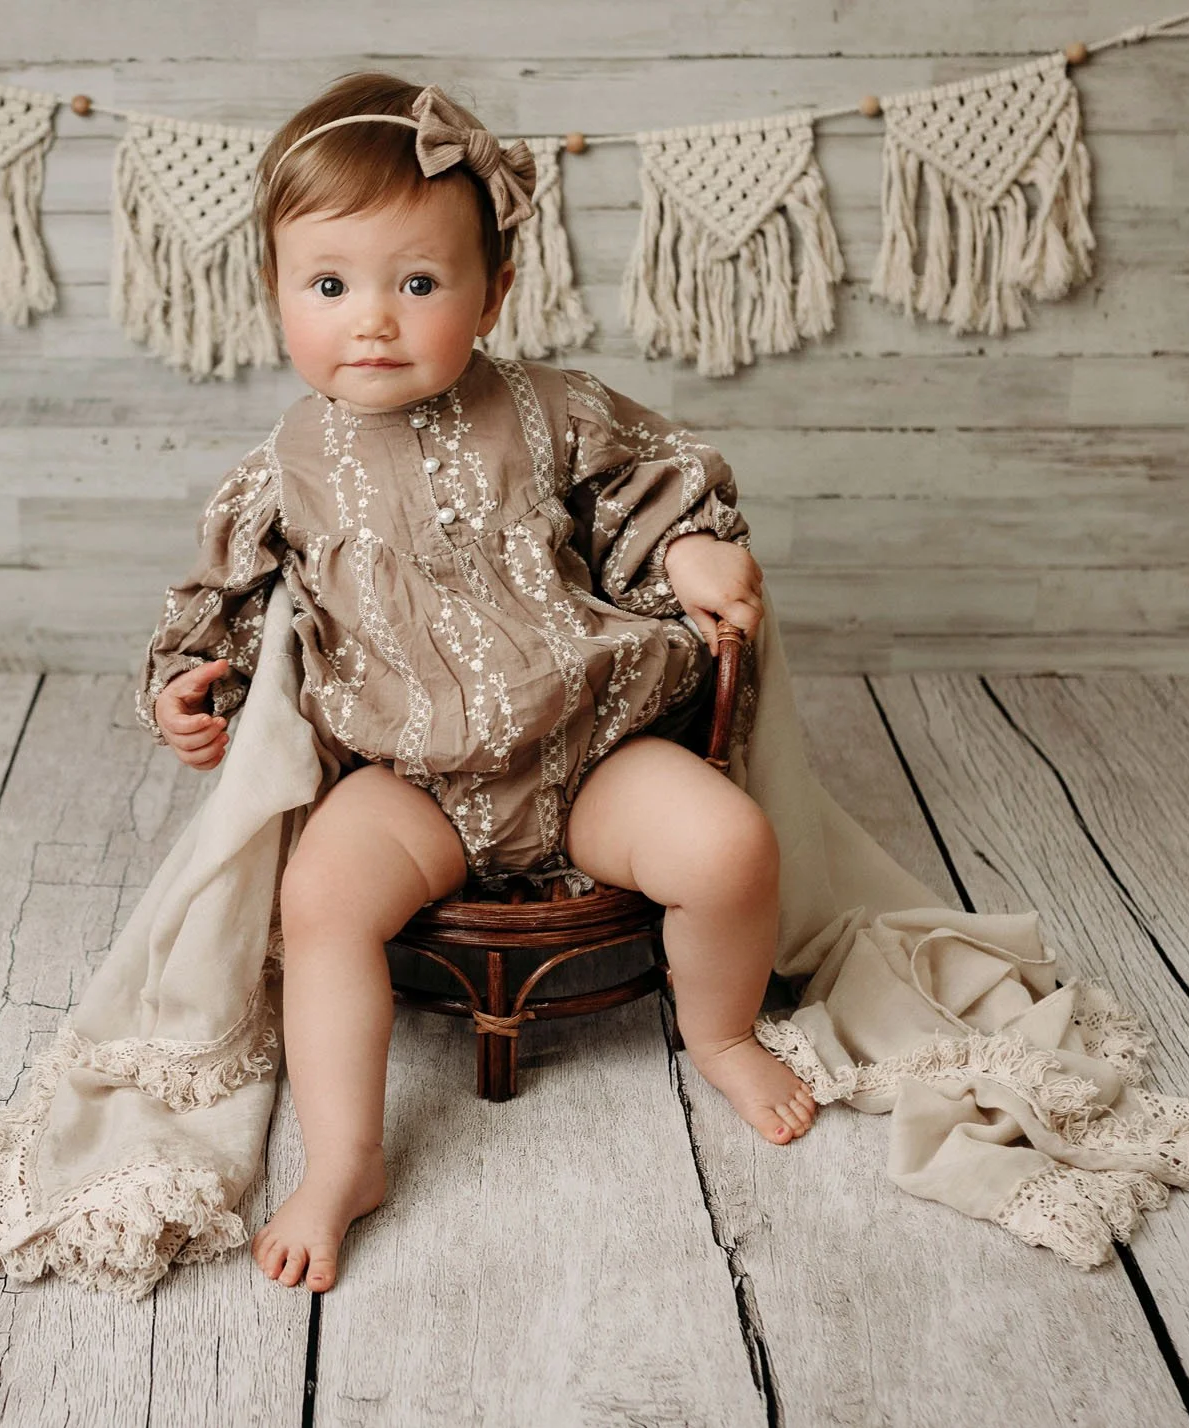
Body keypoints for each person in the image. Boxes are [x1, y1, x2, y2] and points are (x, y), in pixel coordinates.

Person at [132, 72, 815, 1294]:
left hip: (587, 751)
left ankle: (716, 1030)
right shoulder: (282, 469)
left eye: (419, 282)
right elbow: (216, 605)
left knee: (727, 849)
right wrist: (195, 683)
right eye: (329, 285)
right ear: (275, 294)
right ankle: (346, 1156)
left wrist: (692, 547)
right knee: (322, 899)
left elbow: (656, 486)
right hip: (409, 784)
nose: (373, 321)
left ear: (494, 292)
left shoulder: (551, 412)